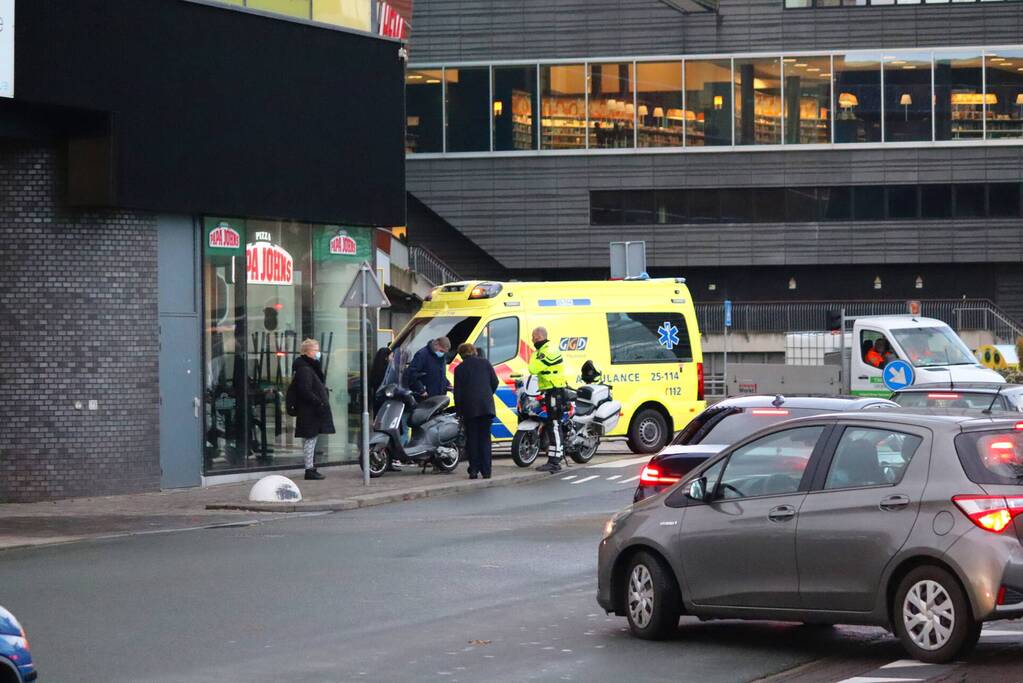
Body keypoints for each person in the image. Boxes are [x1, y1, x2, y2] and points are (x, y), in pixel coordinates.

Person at [453, 343, 499, 480]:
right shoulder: (485, 363)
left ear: (461, 355)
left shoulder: (459, 369)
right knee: (485, 439)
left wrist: (459, 410)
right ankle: (487, 471)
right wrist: (487, 394)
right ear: (474, 351)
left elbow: (458, 392)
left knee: (472, 439)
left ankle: (473, 470)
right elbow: (495, 382)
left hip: (469, 408)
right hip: (486, 407)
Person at [292, 338, 335, 480]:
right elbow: (305, 390)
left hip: (310, 410)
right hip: (309, 411)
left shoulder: (308, 367)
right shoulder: (305, 369)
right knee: (310, 440)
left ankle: (311, 467)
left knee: (311, 439)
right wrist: (318, 402)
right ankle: (309, 469)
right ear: (308, 352)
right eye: (316, 350)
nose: (318, 353)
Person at [528, 326, 567, 473]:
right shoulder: (543, 350)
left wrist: (534, 357)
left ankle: (555, 462)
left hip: (555, 391)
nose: (532, 340)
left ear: (539, 337)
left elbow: (532, 368)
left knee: (554, 425)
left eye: (533, 337)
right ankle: (554, 458)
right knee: (552, 424)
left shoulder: (546, 351)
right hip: (551, 391)